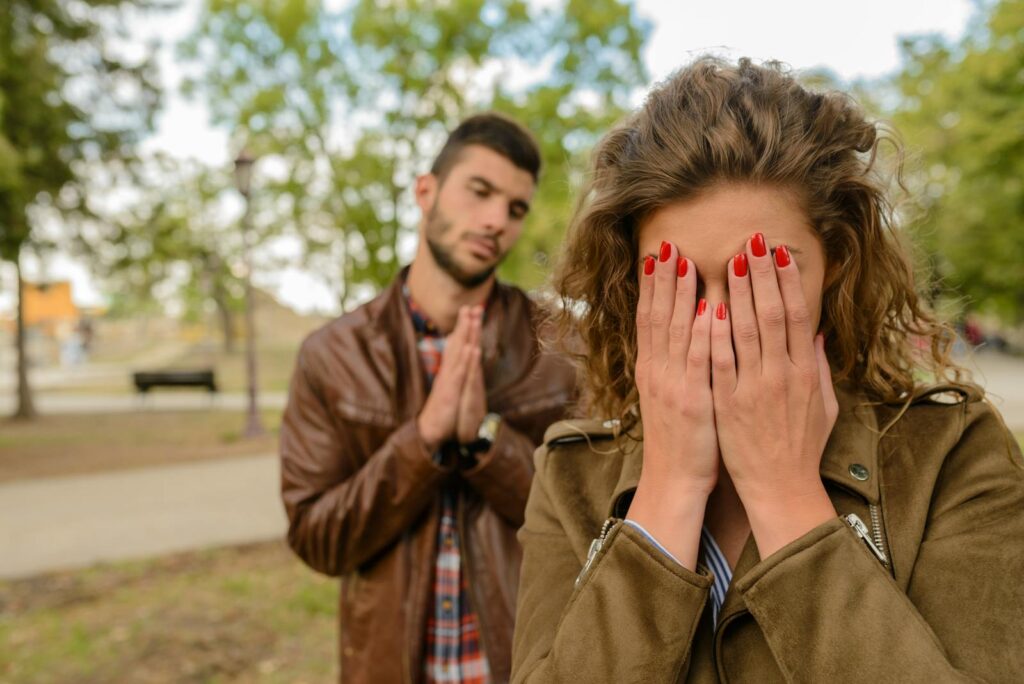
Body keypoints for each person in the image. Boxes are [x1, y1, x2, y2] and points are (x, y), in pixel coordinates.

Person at [511, 57, 1024, 682]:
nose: (722, 325)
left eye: (759, 278)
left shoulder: (952, 454)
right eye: (680, 285)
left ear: (837, 264)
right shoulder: (570, 476)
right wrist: (668, 488)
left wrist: (787, 498)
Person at [281, 113, 577, 683]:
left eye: (515, 209)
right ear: (426, 191)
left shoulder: (563, 347)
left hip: (528, 666)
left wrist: (485, 439)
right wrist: (422, 441)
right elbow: (319, 541)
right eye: (480, 191)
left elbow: (589, 526)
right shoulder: (331, 355)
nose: (496, 220)